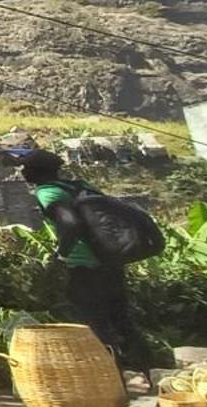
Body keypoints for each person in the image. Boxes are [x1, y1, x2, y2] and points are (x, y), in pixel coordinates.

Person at [20, 149, 149, 369]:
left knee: (95, 322)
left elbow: (70, 224)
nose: (22, 171)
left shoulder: (47, 192)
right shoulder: (81, 186)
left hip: (85, 266)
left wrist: (61, 255)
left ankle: (110, 373)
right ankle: (148, 370)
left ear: (36, 171)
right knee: (121, 319)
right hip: (111, 262)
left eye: (25, 167)